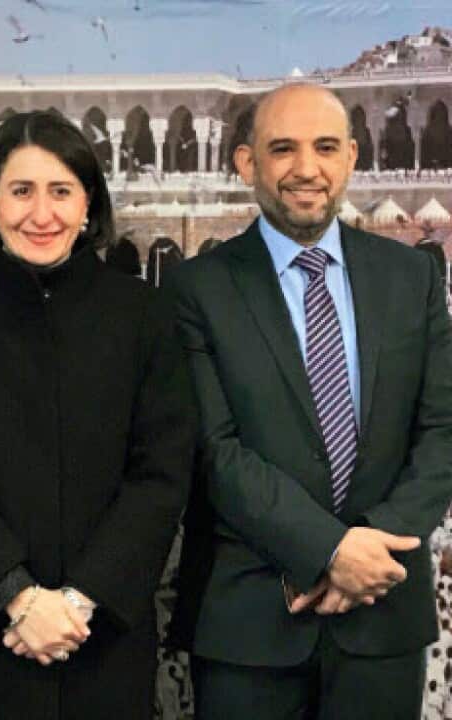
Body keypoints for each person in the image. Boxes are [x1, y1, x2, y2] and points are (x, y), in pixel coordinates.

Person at [0, 110, 196, 719]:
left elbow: (161, 472)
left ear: (88, 204)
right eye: (21, 191)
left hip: (101, 639)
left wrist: (81, 601)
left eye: (61, 191)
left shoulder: (144, 316)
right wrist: (17, 597)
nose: (42, 213)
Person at [168, 83, 452, 719]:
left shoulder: (411, 277)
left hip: (383, 610)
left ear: (351, 157)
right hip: (251, 622)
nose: (306, 168)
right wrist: (329, 550)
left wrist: (369, 546)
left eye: (325, 147)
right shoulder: (197, 289)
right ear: (247, 163)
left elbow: (443, 430)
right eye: (283, 149)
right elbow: (215, 450)